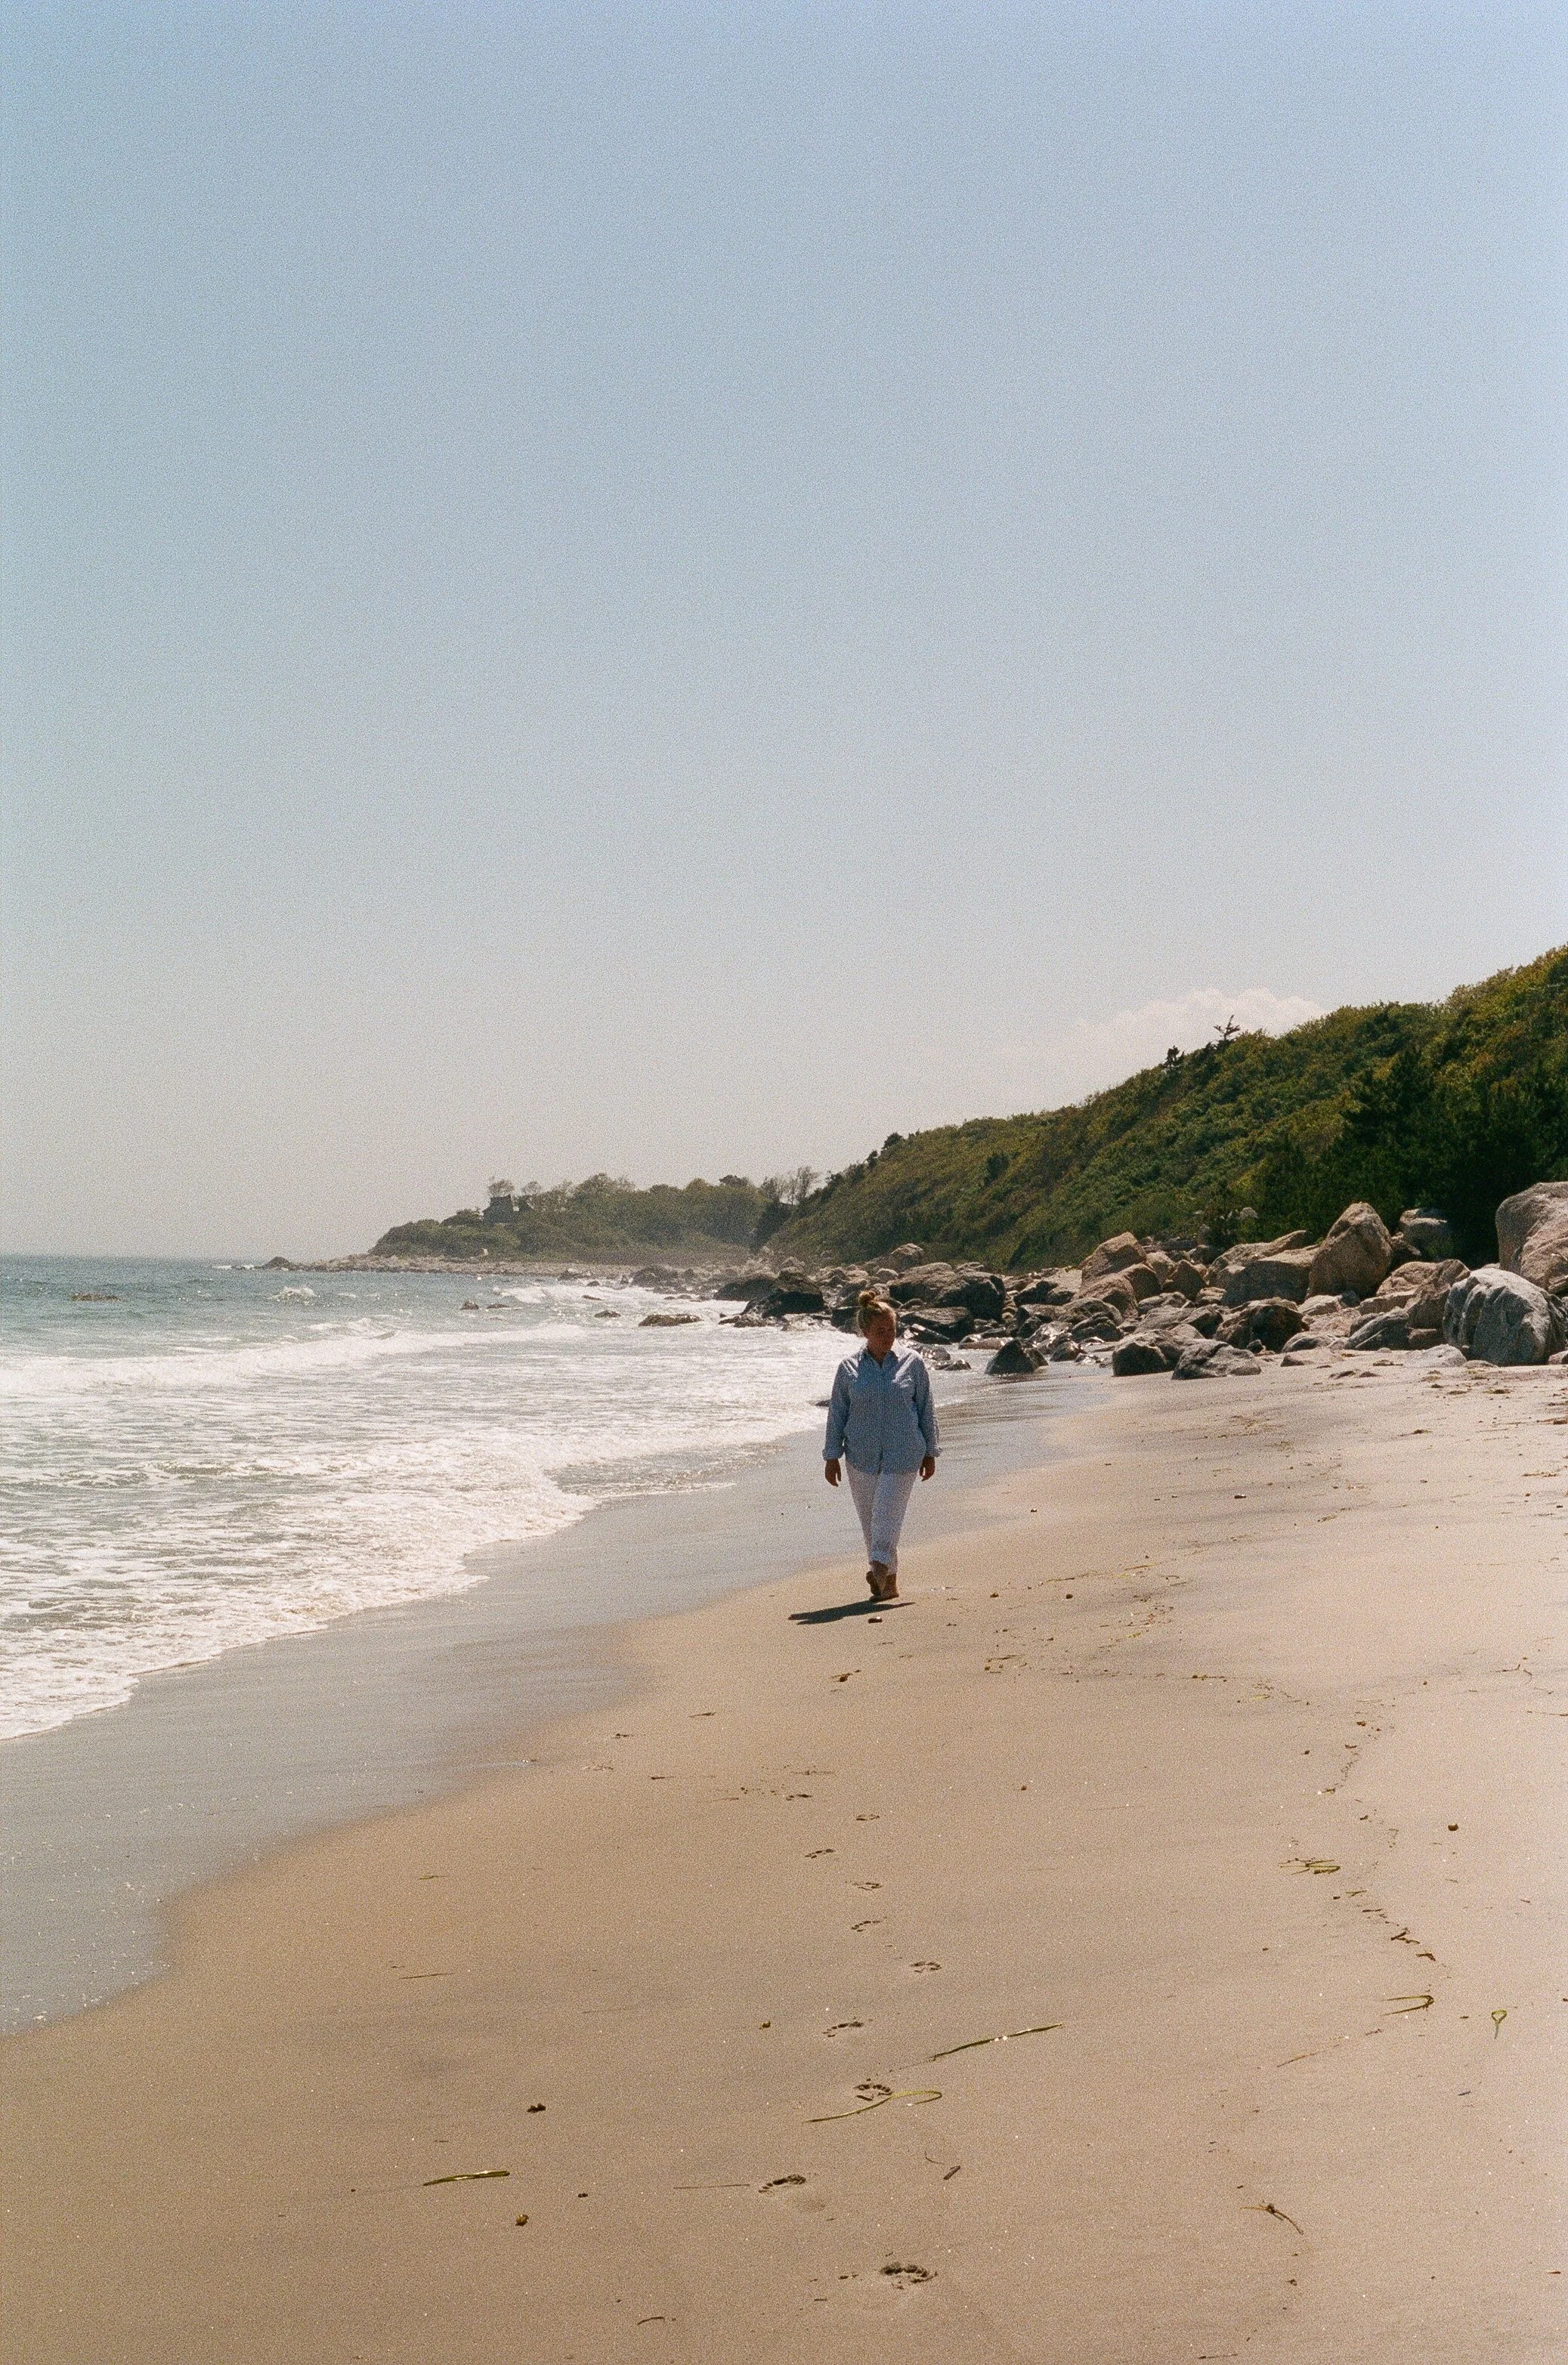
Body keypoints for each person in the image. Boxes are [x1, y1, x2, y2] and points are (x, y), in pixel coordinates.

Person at [823, 1288, 939, 1600]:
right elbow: (837, 1414)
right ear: (865, 1333)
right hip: (860, 1456)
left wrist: (931, 1451)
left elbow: (926, 1407)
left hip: (905, 1453)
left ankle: (877, 1568)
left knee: (887, 1514)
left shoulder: (912, 1363)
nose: (889, 1336)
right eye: (881, 1331)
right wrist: (831, 1456)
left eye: (893, 1330)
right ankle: (889, 1585)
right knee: (872, 1525)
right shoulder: (848, 1369)